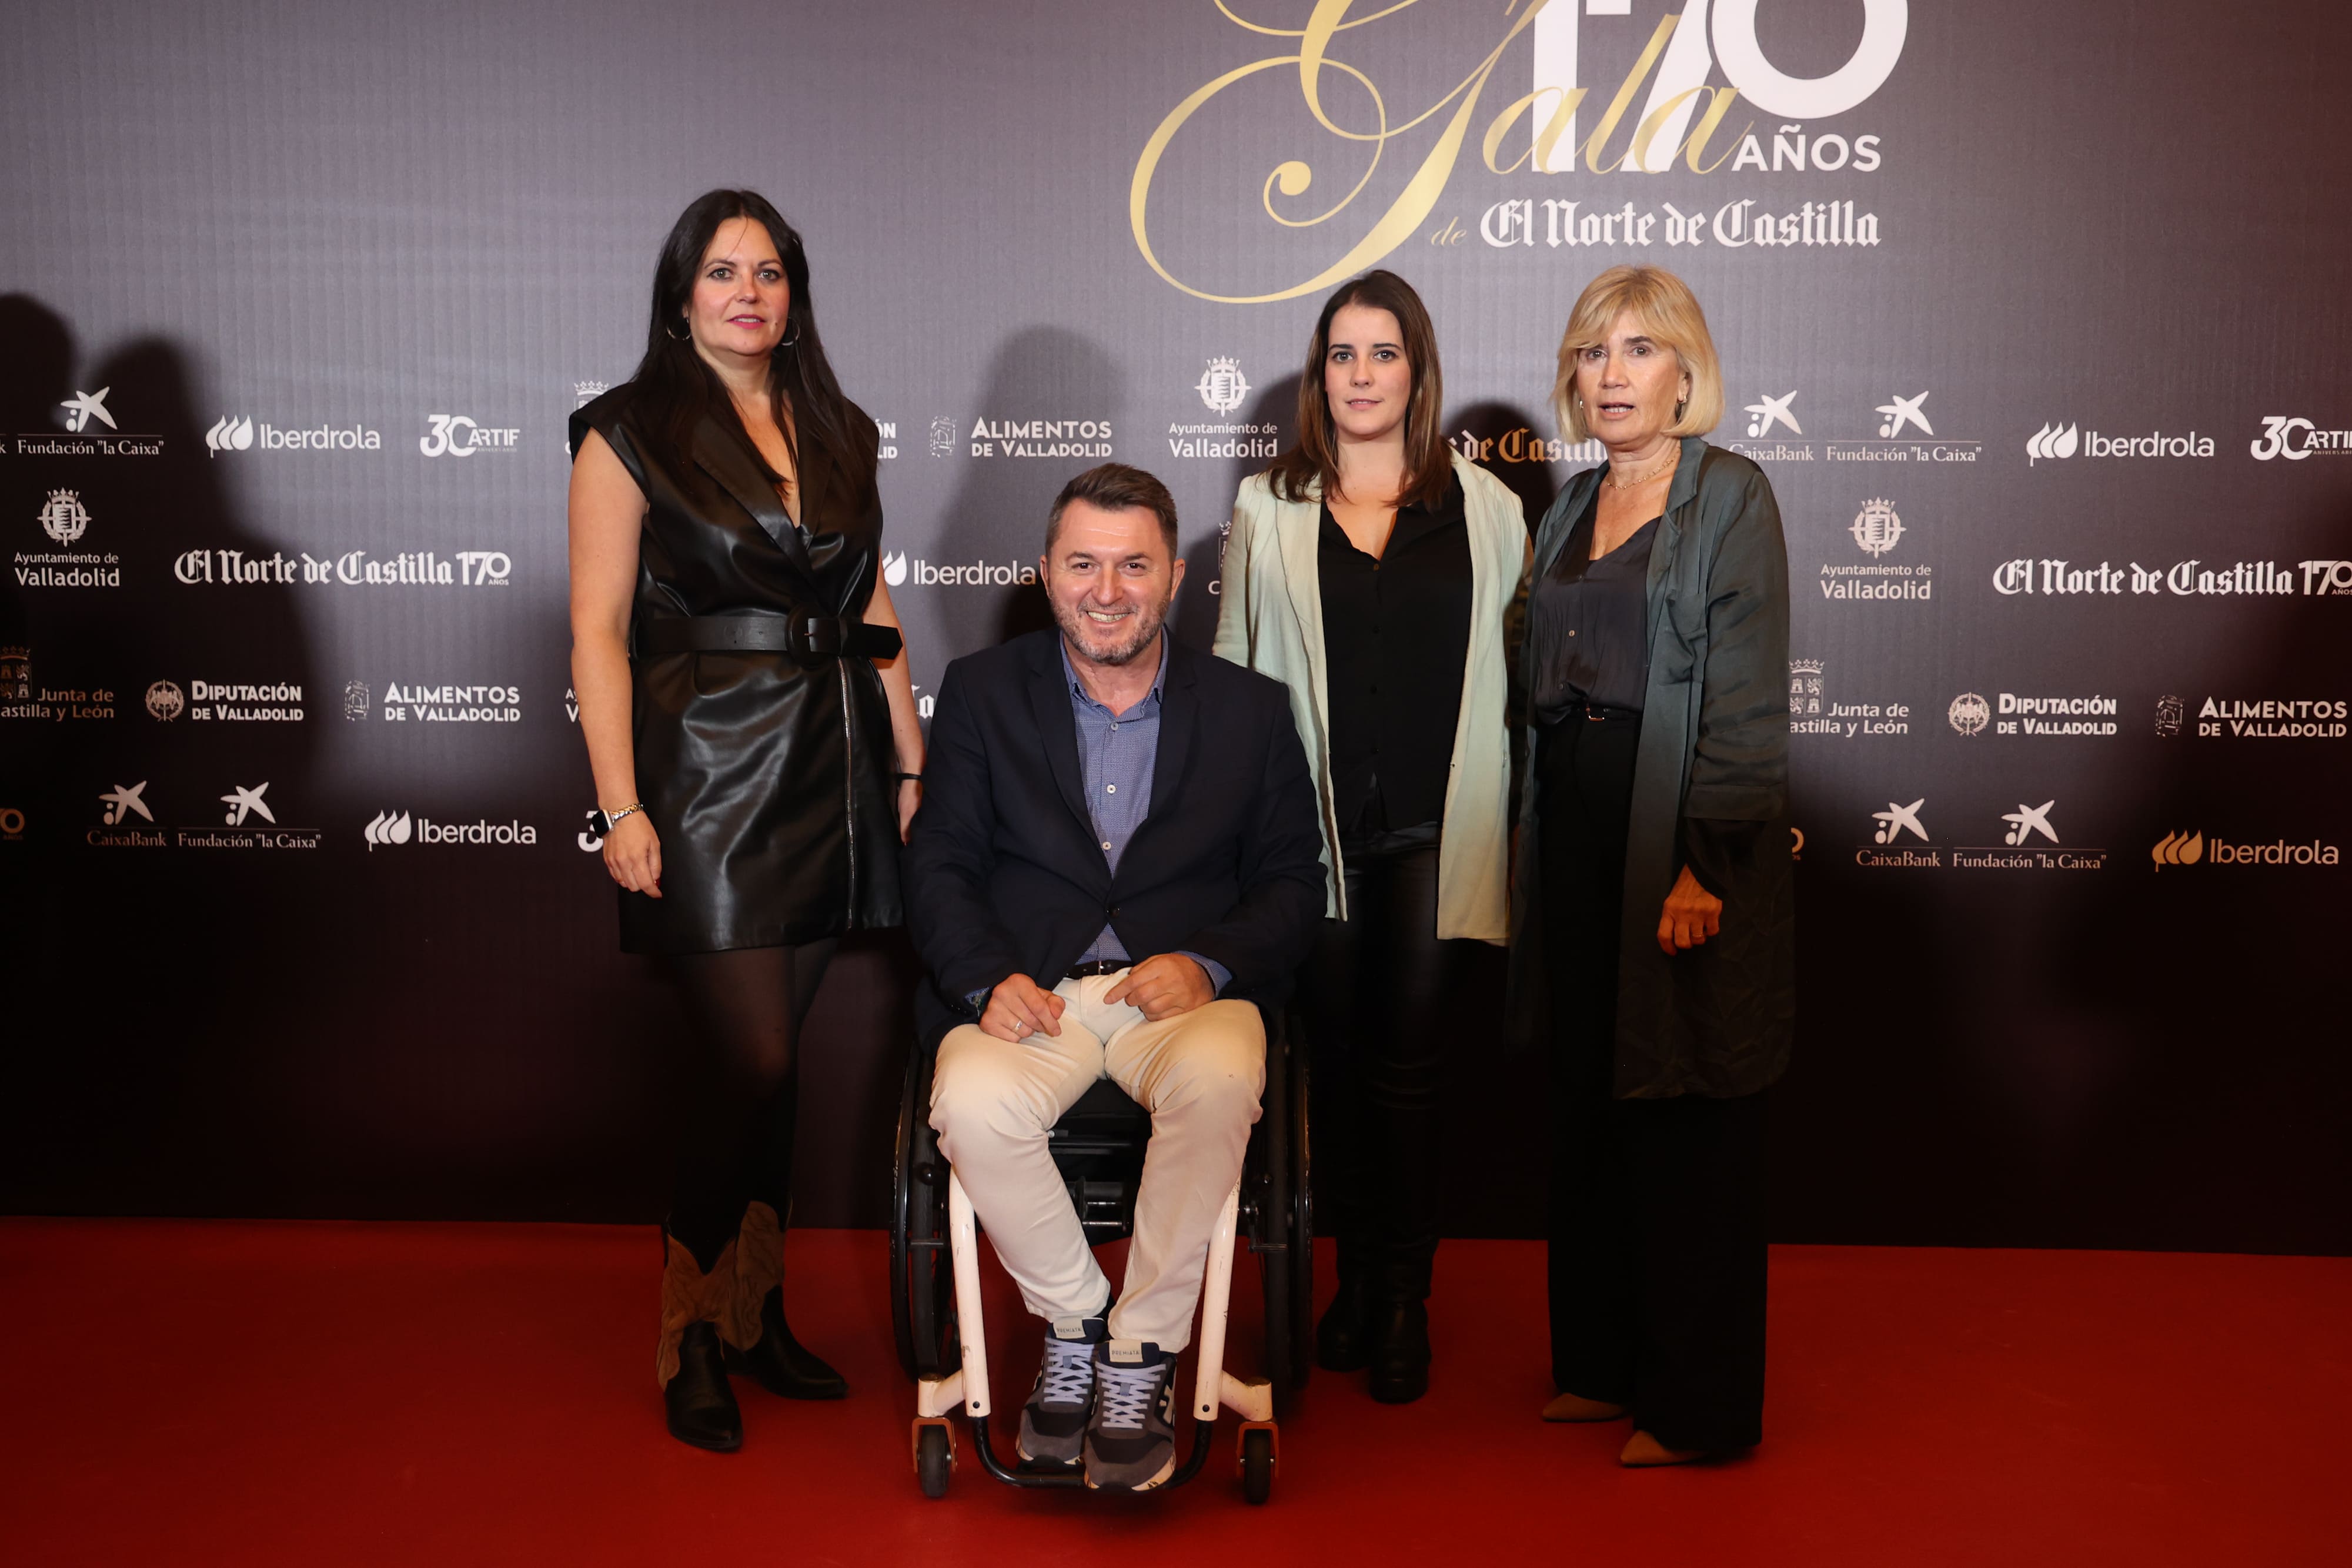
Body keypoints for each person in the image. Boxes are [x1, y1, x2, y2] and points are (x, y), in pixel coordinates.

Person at [567, 189, 925, 1452]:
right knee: (751, 1060)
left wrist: (907, 744)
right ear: (681, 296)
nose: (747, 293)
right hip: (704, 772)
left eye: (768, 272)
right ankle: (688, 1333)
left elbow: (866, 588)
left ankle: (757, 1310)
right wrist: (619, 802)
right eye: (722, 272)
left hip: (831, 764)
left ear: (792, 293)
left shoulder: (841, 426)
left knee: (774, 1081)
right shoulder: (624, 434)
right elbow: (598, 630)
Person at [904, 463, 1324, 1491]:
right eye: (1084, 564)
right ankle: (1078, 1319)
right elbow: (940, 864)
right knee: (967, 1100)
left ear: (1175, 575)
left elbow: (1291, 884)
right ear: (1047, 574)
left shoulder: (1252, 711)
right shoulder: (980, 693)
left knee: (1227, 1081)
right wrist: (982, 978)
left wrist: (1209, 962)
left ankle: (1141, 1351)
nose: (1108, 589)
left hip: (1182, 1002)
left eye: (1134, 565)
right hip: (1030, 994)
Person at [1212, 269, 1528, 1402]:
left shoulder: (1486, 509)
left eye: (1382, 353)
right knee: (1331, 1075)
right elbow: (1241, 684)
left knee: (1412, 1077)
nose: (1360, 374)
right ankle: (1346, 1284)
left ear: (1416, 370)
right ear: (1320, 374)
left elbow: (1515, 679)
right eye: (1341, 354)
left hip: (1445, 835)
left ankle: (1404, 1299)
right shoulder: (1267, 508)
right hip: (1317, 836)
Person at [1511, 264, 1793, 1466]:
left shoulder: (1730, 495)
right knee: (1585, 1101)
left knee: (1684, 1115)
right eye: (1592, 351)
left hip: (1669, 843)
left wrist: (1705, 865)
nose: (1611, 373)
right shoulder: (1566, 508)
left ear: (1687, 372)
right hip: (1568, 843)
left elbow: (1741, 698)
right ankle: (1599, 1365)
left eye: (1638, 349)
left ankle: (1696, 1404)